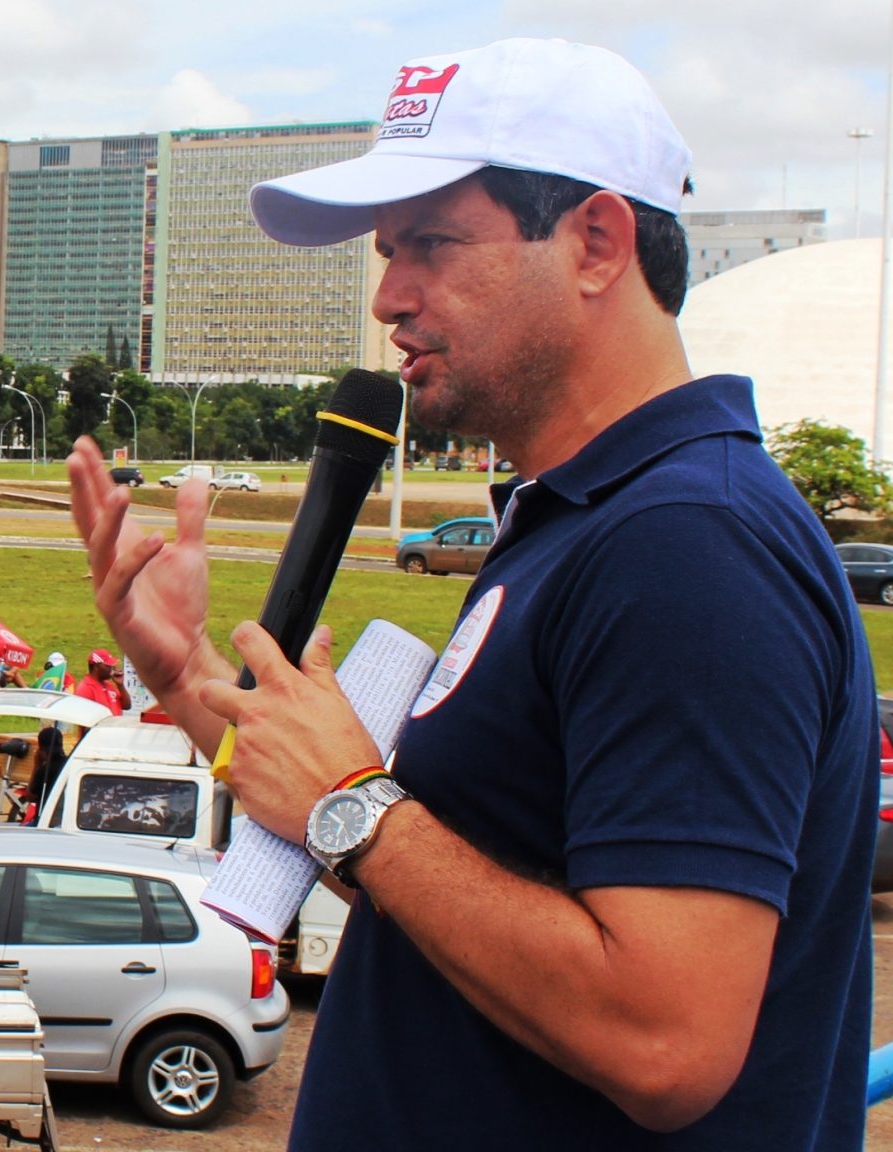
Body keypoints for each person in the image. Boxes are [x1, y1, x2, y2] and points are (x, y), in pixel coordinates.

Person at [63, 39, 875, 1149]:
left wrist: (353, 806)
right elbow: (444, 887)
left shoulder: (689, 546)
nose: (389, 298)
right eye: (387, 252)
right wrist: (185, 672)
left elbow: (664, 1042)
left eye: (433, 244)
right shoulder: (580, 519)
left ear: (596, 241)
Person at [68, 649, 129, 714]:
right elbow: (83, 716)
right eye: (108, 666)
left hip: (114, 723)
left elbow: (127, 706)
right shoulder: (86, 688)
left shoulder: (109, 686)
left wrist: (120, 685)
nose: (112, 669)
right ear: (96, 667)